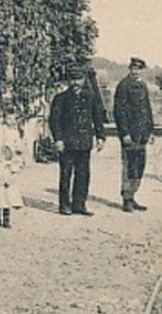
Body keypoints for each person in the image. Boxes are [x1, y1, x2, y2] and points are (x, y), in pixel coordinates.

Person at [48, 69, 105, 215]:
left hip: (84, 142)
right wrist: (58, 139)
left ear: (84, 79)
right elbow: (54, 120)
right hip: (67, 143)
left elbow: (97, 117)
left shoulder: (90, 97)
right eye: (72, 79)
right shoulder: (61, 98)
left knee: (83, 174)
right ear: (68, 81)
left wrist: (100, 137)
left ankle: (79, 204)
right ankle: (65, 205)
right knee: (66, 174)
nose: (75, 83)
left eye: (79, 79)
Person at [112, 57, 155, 212]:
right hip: (130, 134)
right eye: (133, 68)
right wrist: (124, 133)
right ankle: (126, 198)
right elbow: (119, 111)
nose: (136, 71)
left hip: (142, 134)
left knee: (140, 166)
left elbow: (147, 110)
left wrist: (151, 130)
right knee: (129, 166)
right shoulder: (124, 86)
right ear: (130, 69)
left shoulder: (143, 85)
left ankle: (133, 195)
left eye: (139, 69)